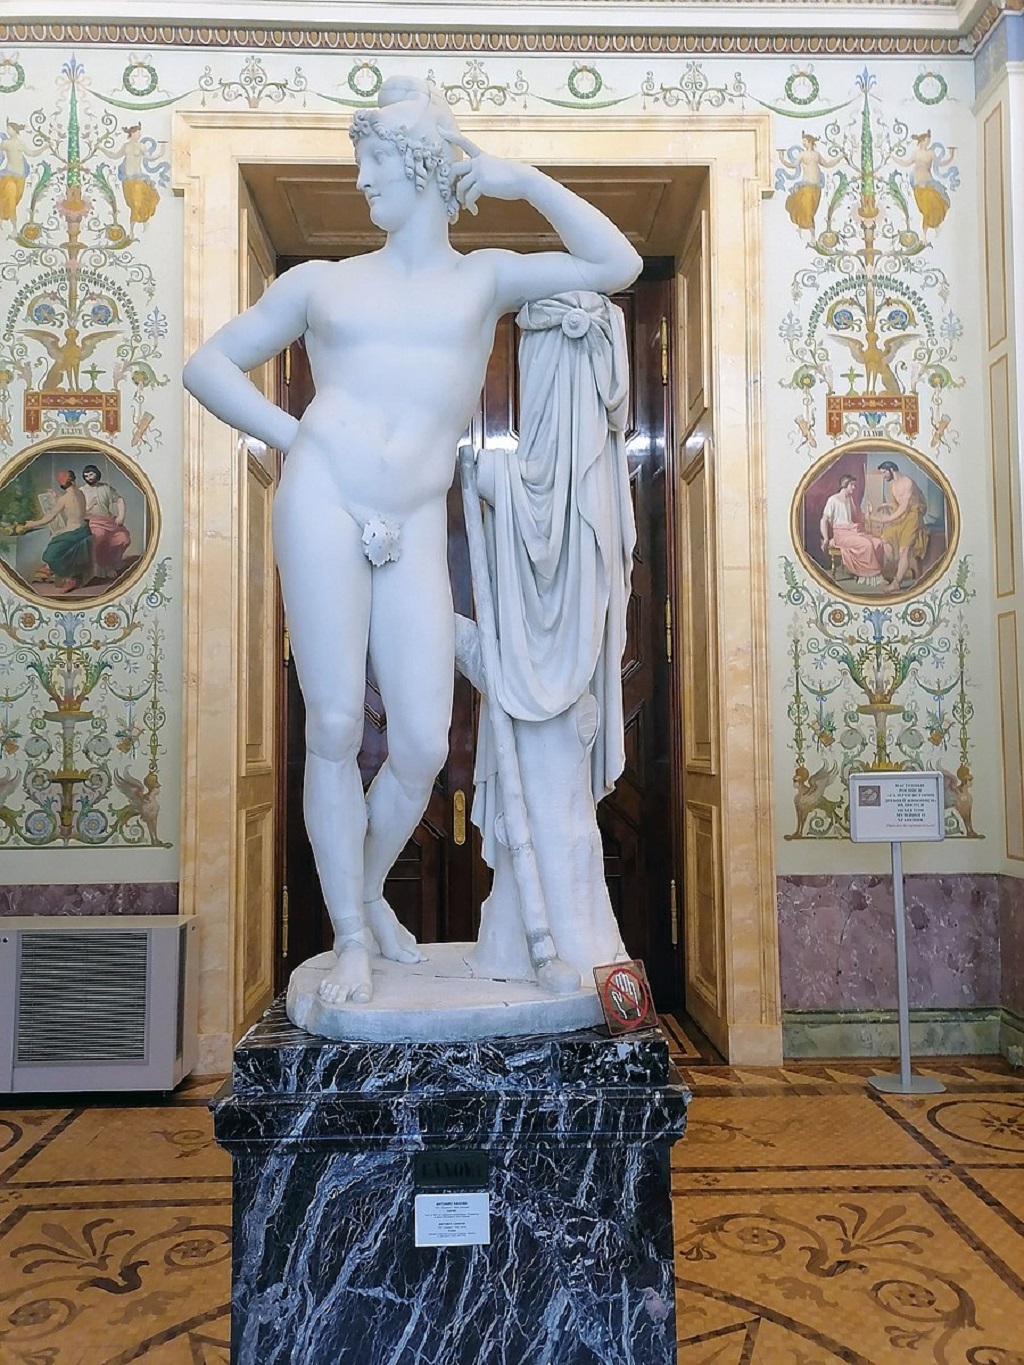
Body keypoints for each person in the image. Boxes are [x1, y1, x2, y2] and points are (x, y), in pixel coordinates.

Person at [183, 76, 641, 1008]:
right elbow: (207, 365)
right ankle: (353, 936)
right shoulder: (322, 283)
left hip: (418, 518)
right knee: (336, 726)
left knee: (426, 744)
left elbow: (616, 261)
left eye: (375, 163)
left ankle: (360, 894)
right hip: (325, 501)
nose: (360, 182)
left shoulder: (484, 277)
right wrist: (303, 440)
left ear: (425, 166)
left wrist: (520, 179)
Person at [20, 469, 92, 593]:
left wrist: (32, 524)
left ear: (62, 485)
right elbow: (73, 506)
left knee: (49, 555)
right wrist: (56, 496)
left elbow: (49, 517)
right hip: (84, 529)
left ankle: (69, 578)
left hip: (74, 533)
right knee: (55, 535)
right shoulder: (80, 493)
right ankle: (51, 569)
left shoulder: (64, 499)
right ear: (73, 480)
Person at [819, 473, 885, 585]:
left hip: (853, 531)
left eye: (854, 485)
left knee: (877, 542)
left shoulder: (850, 499)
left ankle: (866, 575)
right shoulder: (833, 500)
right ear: (845, 484)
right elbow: (824, 520)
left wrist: (868, 512)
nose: (854, 487)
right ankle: (872, 576)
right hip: (841, 534)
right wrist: (825, 538)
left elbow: (858, 517)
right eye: (852, 485)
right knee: (866, 544)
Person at [873, 459, 929, 591]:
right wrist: (887, 505)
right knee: (885, 539)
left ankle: (896, 583)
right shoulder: (893, 485)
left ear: (891, 470)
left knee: (904, 550)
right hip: (901, 517)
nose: (883, 476)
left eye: (884, 473)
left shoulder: (908, 483)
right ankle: (892, 572)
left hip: (912, 517)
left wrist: (886, 519)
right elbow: (898, 504)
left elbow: (905, 506)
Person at [81, 463, 131, 579]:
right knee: (98, 538)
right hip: (92, 522)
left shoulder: (106, 488)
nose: (89, 478)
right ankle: (100, 567)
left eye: (91, 474)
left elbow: (119, 500)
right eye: (86, 476)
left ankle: (113, 562)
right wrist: (88, 507)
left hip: (108, 521)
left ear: (97, 474)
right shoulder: (81, 491)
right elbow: (76, 511)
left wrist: (121, 516)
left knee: (123, 538)